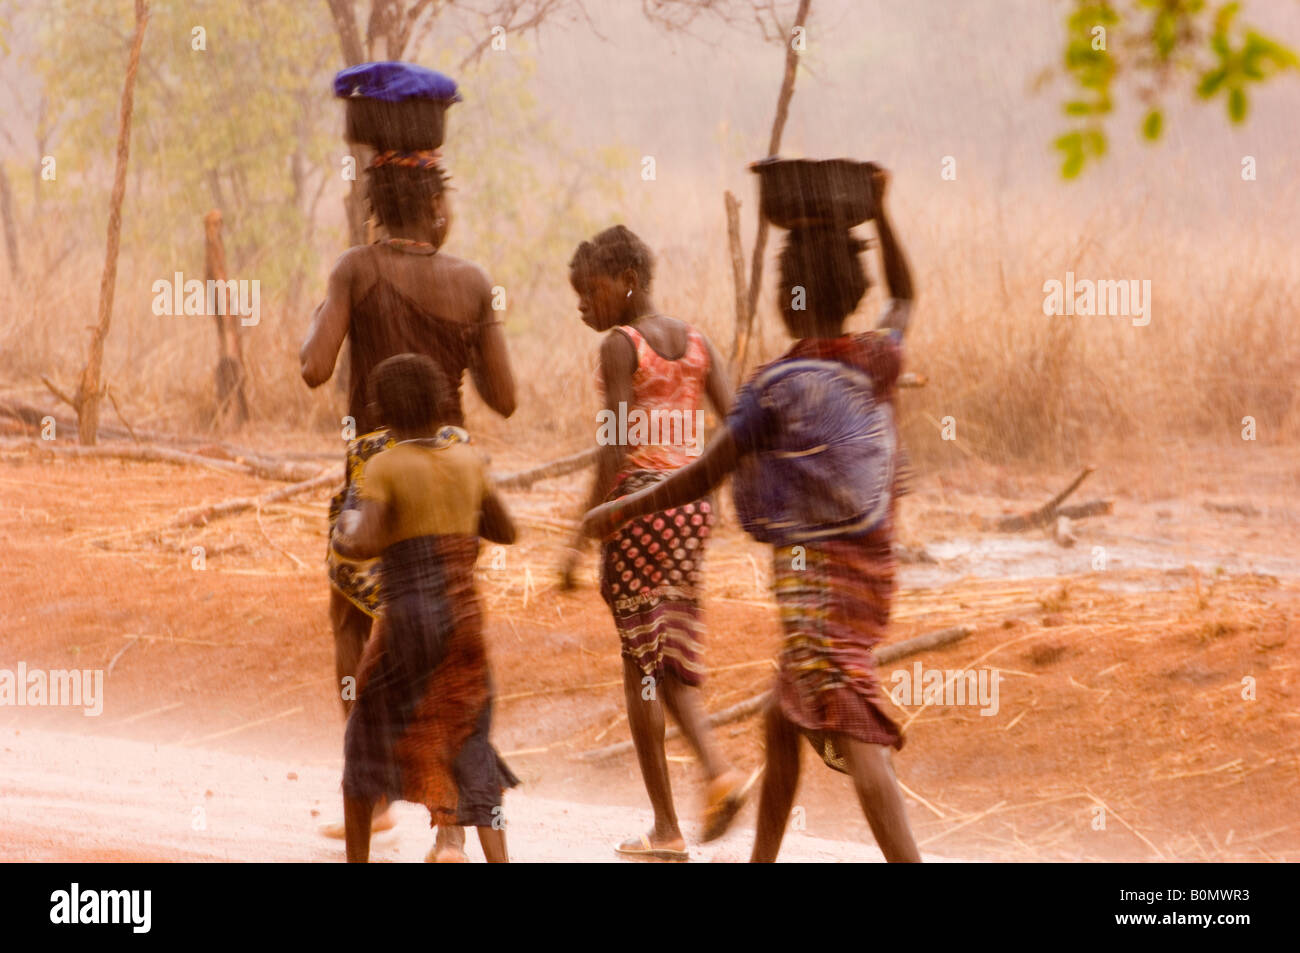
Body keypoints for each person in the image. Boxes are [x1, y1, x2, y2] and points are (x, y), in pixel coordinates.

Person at [580, 167, 922, 862]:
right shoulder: (875, 357)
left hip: (812, 578)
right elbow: (906, 295)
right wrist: (881, 214)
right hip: (871, 571)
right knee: (780, 716)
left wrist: (622, 507)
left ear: (787, 302)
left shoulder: (776, 387)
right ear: (853, 293)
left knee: (851, 718)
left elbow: (709, 469)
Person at [300, 143, 516, 856]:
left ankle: (376, 789)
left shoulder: (355, 268)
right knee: (451, 651)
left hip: (379, 456)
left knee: (354, 622)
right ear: (435, 208)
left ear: (373, 212)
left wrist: (336, 304)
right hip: (453, 463)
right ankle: (452, 829)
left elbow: (313, 366)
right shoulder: (472, 281)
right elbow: (505, 397)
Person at [562, 225, 748, 860]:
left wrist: (589, 524)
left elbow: (613, 441)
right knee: (665, 651)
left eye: (591, 291)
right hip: (693, 508)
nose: (584, 305)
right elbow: (740, 424)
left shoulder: (622, 345)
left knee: (641, 663)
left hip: (640, 507)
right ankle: (698, 791)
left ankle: (682, 811)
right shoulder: (698, 340)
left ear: (627, 282)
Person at [332, 353, 518, 863]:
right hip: (464, 625)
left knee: (365, 740)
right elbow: (507, 530)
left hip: (408, 626)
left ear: (381, 410)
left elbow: (363, 543)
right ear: (441, 404)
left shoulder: (384, 465)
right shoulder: (467, 460)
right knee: (470, 738)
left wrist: (345, 530)